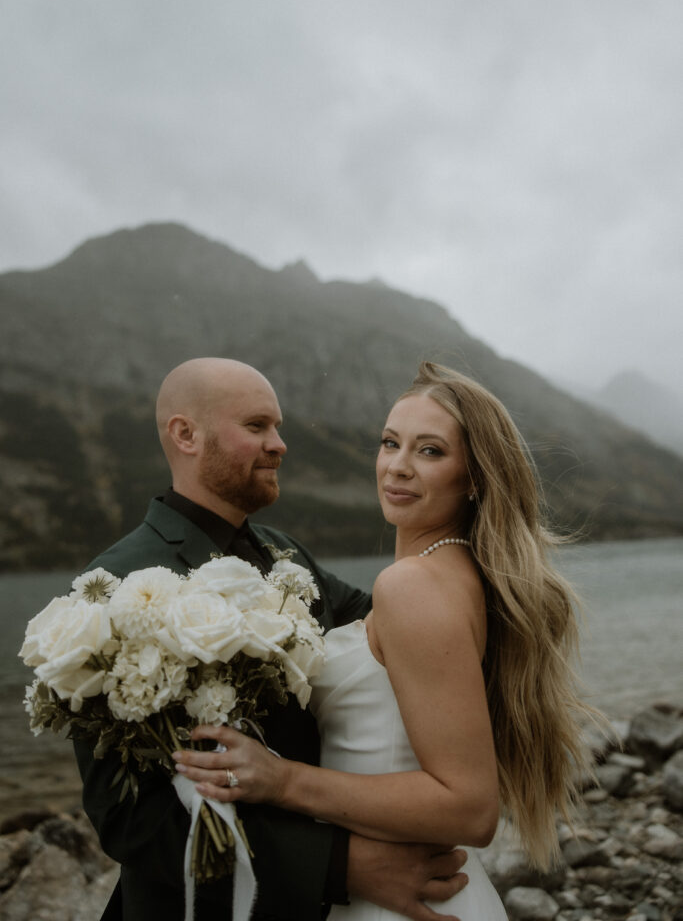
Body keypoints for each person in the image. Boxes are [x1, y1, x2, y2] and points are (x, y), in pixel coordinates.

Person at [174, 362, 597, 921]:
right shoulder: (461, 574)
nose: (397, 466)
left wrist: (281, 781)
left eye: (430, 451)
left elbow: (471, 809)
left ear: (474, 477)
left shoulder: (412, 585)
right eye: (390, 443)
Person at [73, 357, 469, 921]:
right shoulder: (116, 587)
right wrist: (341, 866)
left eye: (278, 427)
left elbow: (398, 623)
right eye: (257, 426)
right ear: (186, 435)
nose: (280, 444)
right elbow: (130, 818)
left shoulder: (285, 554)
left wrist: (465, 559)